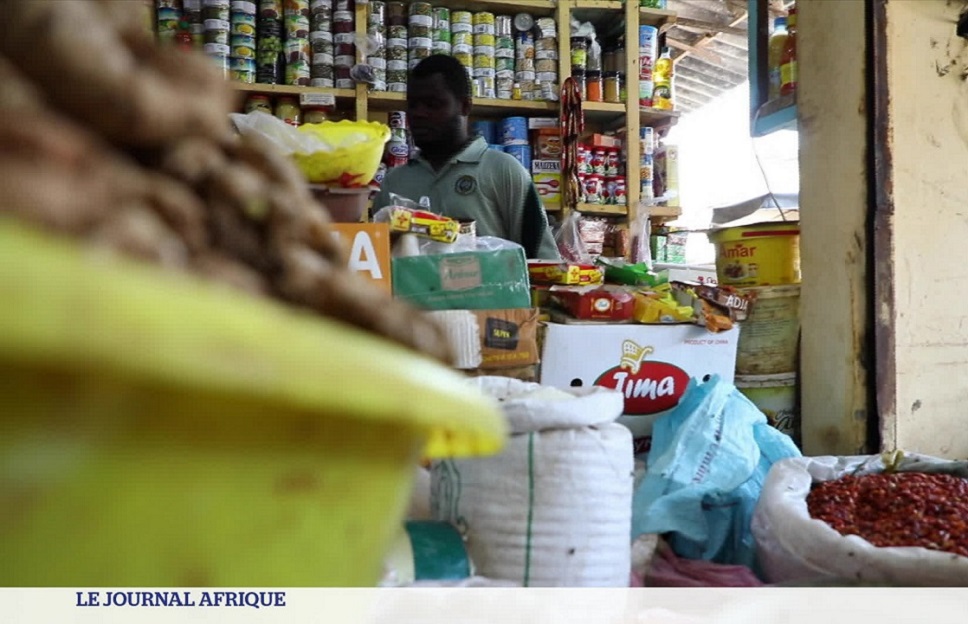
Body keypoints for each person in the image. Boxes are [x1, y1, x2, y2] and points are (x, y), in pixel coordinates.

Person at [372, 55, 561, 260]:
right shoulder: (394, 182)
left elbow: (544, 262)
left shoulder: (503, 170)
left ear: (465, 106)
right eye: (413, 105)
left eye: (432, 104)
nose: (418, 114)